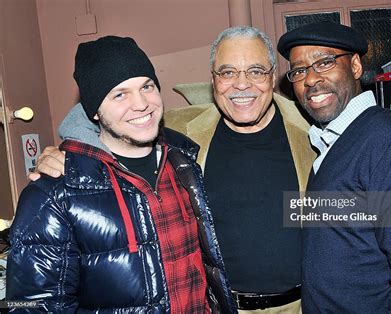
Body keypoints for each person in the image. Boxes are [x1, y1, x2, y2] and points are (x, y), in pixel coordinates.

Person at [29, 26, 316, 313]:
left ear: (272, 75)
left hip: (298, 306)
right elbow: (114, 118)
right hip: (219, 307)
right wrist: (67, 153)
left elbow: (346, 211)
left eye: (255, 71)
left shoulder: (313, 131)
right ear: (213, 78)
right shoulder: (180, 134)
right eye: (228, 72)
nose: (242, 84)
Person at [7, 36, 236, 313]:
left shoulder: (184, 165)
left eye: (147, 86)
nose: (141, 104)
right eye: (119, 94)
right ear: (94, 112)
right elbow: (32, 306)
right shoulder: (52, 194)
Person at [277, 22, 391, 312]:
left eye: (324, 62)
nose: (310, 79)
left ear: (356, 66)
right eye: (299, 70)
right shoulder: (329, 145)